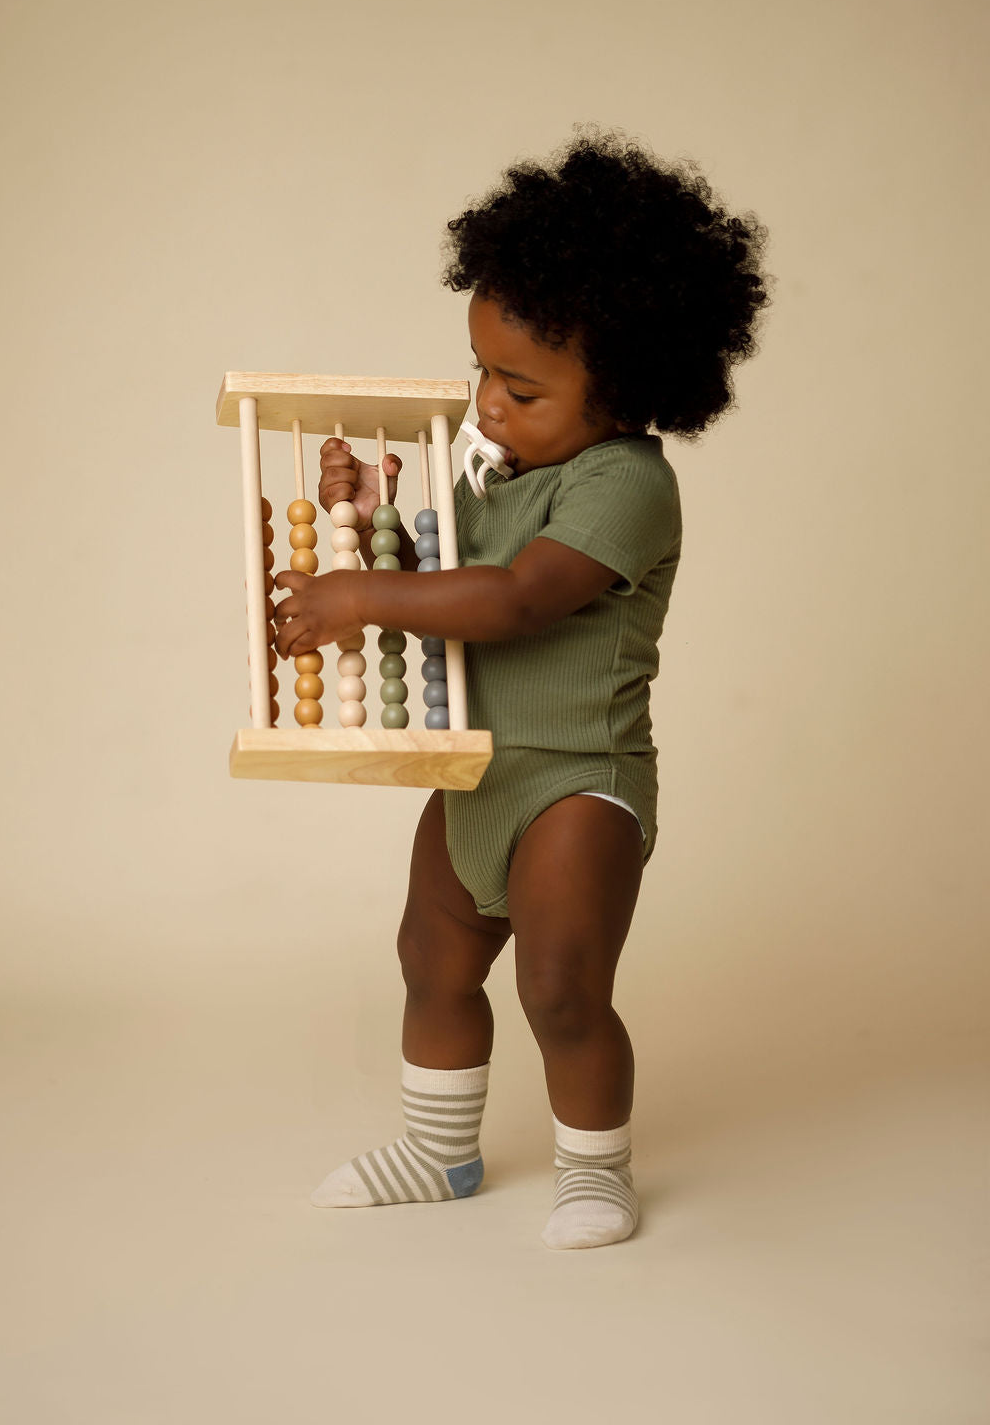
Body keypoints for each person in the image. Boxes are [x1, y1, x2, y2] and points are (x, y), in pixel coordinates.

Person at [274, 129, 770, 1249]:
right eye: (481, 373)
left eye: (522, 386)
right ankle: (437, 1150)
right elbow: (443, 566)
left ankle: (595, 1167)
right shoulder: (505, 471)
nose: (488, 405)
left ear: (628, 389)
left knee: (559, 986)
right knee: (430, 958)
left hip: (573, 786)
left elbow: (512, 600)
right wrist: (370, 506)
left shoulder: (627, 486)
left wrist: (356, 599)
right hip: (475, 774)